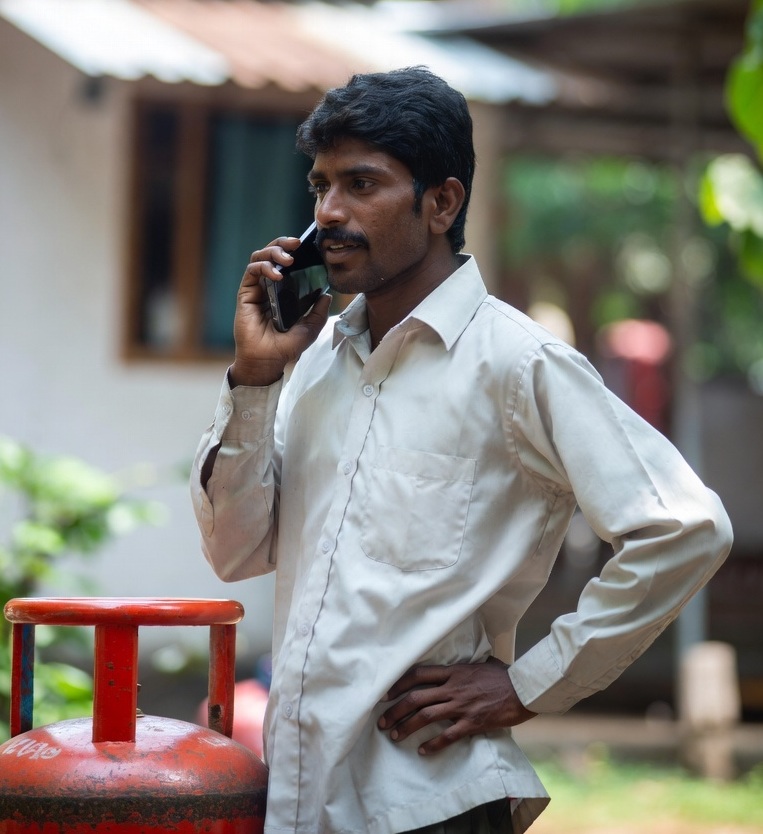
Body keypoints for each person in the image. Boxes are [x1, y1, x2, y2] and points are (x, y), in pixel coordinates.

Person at [191, 67, 733, 834]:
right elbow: (236, 551)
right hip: (302, 798)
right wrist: (254, 378)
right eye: (320, 186)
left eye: (360, 184)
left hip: (431, 799)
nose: (329, 212)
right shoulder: (310, 362)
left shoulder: (517, 363)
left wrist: (530, 683)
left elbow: (684, 528)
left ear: (441, 203)